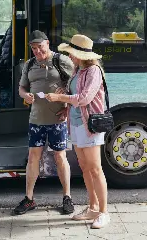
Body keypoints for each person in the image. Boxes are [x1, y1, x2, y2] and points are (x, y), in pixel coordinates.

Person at [45, 34, 110, 229]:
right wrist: (65, 104)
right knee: (84, 167)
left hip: (89, 125)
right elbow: (75, 97)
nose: (70, 56)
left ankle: (104, 212)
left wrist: (59, 99)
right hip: (76, 124)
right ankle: (92, 207)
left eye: (72, 53)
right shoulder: (78, 70)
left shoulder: (94, 71)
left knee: (95, 168)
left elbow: (83, 98)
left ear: (82, 55)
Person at [14, 30, 75, 215]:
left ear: (47, 43)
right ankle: (29, 198)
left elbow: (76, 86)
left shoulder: (61, 60)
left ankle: (67, 197)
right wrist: (26, 95)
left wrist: (68, 107)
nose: (37, 52)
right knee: (33, 158)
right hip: (36, 119)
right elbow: (21, 88)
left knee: (60, 157)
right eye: (33, 49)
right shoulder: (30, 64)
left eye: (40, 47)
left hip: (57, 119)